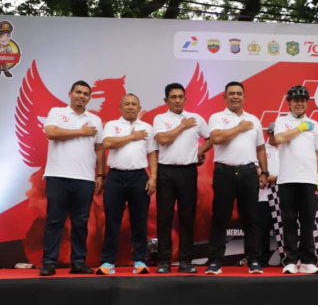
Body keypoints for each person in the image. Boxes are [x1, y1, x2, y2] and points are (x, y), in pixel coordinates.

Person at [39, 81, 105, 276]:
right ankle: (49, 262)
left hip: (85, 178)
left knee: (81, 222)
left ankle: (78, 262)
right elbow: (51, 133)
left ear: (89, 98)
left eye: (85, 93)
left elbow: (100, 148)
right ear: (70, 94)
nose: (81, 96)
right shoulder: (57, 113)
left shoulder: (95, 120)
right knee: (54, 221)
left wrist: (101, 174)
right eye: (78, 92)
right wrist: (81, 131)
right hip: (58, 175)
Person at [206, 81, 269, 275]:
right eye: (231, 93)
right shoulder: (217, 117)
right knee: (220, 218)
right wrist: (239, 128)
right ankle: (215, 262)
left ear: (244, 97)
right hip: (224, 173)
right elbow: (216, 138)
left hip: (249, 173)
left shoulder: (254, 119)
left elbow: (260, 148)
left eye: (239, 93)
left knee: (251, 219)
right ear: (224, 97)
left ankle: (254, 261)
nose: (235, 96)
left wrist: (264, 172)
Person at [153, 83, 213, 273]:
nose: (177, 100)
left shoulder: (195, 118)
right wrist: (182, 126)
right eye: (173, 97)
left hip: (188, 172)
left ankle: (186, 261)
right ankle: (164, 261)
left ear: (185, 99)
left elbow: (212, 137)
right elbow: (162, 139)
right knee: (164, 217)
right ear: (166, 100)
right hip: (165, 172)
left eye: (180, 97)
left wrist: (199, 152)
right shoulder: (160, 118)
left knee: (187, 217)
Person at [96, 94, 158, 275]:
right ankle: (108, 262)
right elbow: (108, 143)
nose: (130, 107)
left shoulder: (147, 128)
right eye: (127, 104)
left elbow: (153, 153)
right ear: (120, 107)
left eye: (134, 104)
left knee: (139, 221)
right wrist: (132, 137)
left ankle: (139, 260)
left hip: (139, 177)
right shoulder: (112, 125)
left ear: (139, 108)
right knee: (112, 221)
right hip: (115, 177)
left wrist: (153, 177)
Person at [274, 85, 318, 274]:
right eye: (296, 100)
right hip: (287, 179)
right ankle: (290, 260)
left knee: (308, 220)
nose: (300, 103)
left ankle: (308, 260)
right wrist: (300, 128)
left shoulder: (315, 124)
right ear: (289, 103)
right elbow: (279, 138)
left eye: (303, 100)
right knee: (288, 220)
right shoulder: (281, 121)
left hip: (309, 179)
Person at [257, 123, 279, 267]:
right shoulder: (262, 149)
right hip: (264, 195)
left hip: (283, 196)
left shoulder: (287, 148)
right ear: (268, 134)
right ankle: (261, 261)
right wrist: (265, 175)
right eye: (272, 134)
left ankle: (286, 259)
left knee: (284, 230)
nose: (275, 136)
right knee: (262, 230)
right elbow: (254, 165)